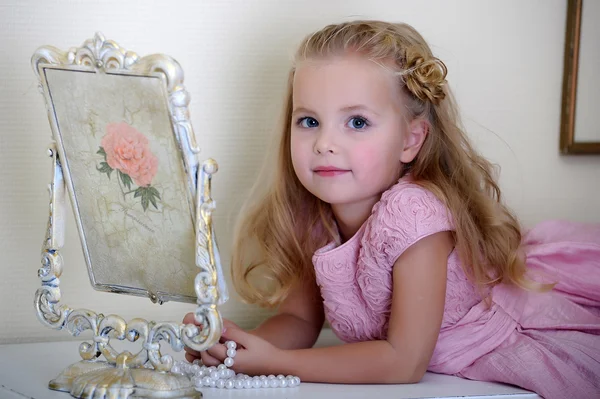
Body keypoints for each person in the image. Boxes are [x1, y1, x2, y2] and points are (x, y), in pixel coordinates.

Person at [183, 20, 600, 398]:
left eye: (357, 122)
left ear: (411, 140)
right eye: (309, 121)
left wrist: (276, 364)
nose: (324, 142)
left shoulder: (413, 212)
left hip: (492, 347)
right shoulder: (312, 211)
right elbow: (299, 318)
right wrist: (241, 347)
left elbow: (404, 362)